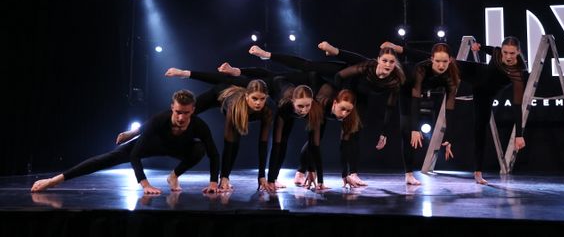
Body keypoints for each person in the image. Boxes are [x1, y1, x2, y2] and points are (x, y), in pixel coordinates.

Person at [250, 43, 405, 186]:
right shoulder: (366, 66)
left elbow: (390, 106)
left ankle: (350, 173)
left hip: (355, 98)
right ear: (378, 60)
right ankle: (268, 54)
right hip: (340, 84)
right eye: (385, 60)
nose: (388, 65)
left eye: (392, 62)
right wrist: (339, 96)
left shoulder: (395, 79)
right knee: (308, 67)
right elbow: (343, 72)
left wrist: (384, 132)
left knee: (351, 134)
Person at [31, 89, 219, 194]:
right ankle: (54, 180)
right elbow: (136, 155)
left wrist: (213, 183)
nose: (181, 117)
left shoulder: (199, 126)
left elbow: (214, 154)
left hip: (179, 148)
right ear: (172, 108)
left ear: (193, 110)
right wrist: (145, 185)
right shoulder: (159, 120)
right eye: (178, 112)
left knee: (200, 149)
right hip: (153, 144)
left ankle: (174, 176)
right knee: (108, 158)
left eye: (186, 113)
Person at [122, 71, 273, 192]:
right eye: (255, 98)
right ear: (247, 96)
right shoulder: (235, 106)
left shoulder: (267, 111)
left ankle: (173, 176)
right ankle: (135, 133)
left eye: (262, 99)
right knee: (179, 112)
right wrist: (224, 178)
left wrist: (262, 176)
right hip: (217, 95)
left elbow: (263, 144)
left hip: (234, 102)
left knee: (235, 140)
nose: (258, 103)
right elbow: (229, 144)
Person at [381, 41, 460, 185]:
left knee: (413, 131)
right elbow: (415, 98)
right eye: (437, 61)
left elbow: (449, 108)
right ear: (432, 59)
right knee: (407, 132)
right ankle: (409, 174)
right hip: (406, 90)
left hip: (422, 92)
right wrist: (415, 128)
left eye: (444, 61)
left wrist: (449, 137)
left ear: (450, 60)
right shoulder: (421, 68)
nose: (441, 66)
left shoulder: (451, 74)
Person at [463, 36, 528, 185]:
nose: (508, 57)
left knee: (480, 130)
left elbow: (517, 104)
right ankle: (407, 52)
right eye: (505, 52)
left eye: (512, 53)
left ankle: (478, 172)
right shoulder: (498, 52)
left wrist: (519, 135)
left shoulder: (518, 72)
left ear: (518, 52)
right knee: (446, 63)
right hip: (476, 75)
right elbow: (491, 50)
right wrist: (479, 47)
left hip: (485, 95)